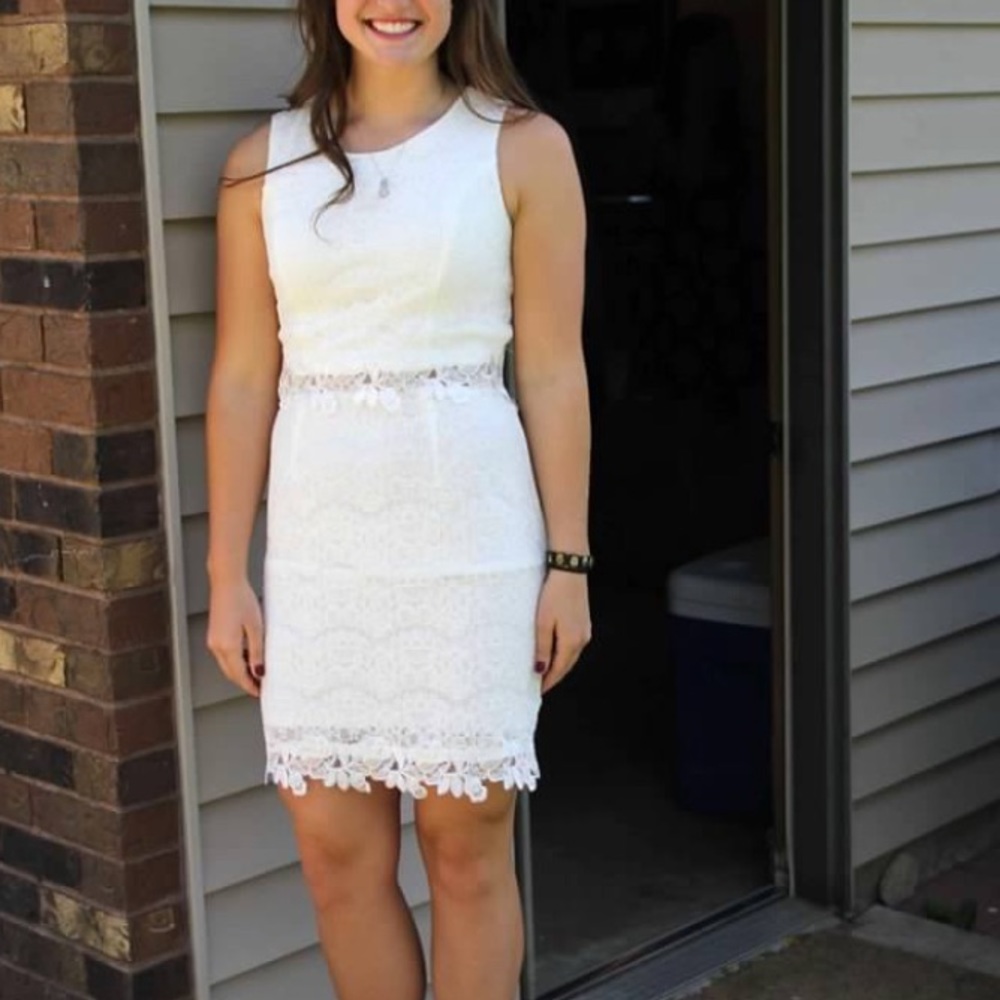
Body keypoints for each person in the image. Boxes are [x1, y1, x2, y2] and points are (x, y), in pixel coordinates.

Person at [204, 2, 591, 998]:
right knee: (337, 857)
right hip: (321, 555)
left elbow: (552, 370)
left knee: (466, 850)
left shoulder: (523, 149)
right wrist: (226, 578)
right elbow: (244, 379)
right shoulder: (263, 166)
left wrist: (569, 563)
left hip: (470, 546)